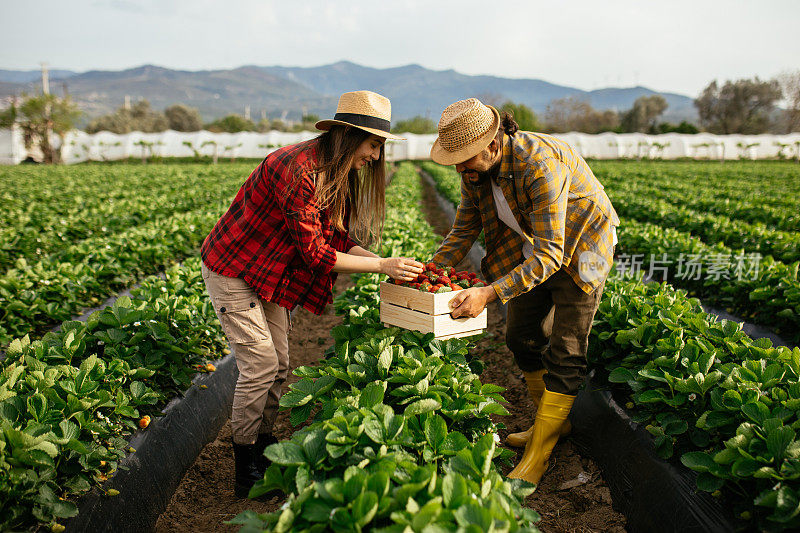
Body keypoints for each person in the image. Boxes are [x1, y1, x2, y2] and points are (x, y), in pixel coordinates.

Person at [200, 90, 424, 497]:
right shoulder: (298, 170)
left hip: (269, 271)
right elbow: (316, 253)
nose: (376, 156)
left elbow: (334, 235)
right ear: (348, 135)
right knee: (260, 364)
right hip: (233, 268)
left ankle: (264, 447)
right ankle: (244, 467)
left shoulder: (330, 171)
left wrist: (383, 261)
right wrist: (381, 266)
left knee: (281, 364)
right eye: (374, 144)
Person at [427, 98, 618, 485]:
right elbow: (465, 229)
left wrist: (489, 293)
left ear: (493, 145)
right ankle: (554, 425)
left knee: (567, 348)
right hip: (536, 246)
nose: (460, 168)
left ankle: (540, 454)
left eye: (464, 158)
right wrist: (428, 272)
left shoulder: (538, 165)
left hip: (586, 249)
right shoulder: (476, 173)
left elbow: (552, 254)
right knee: (520, 335)